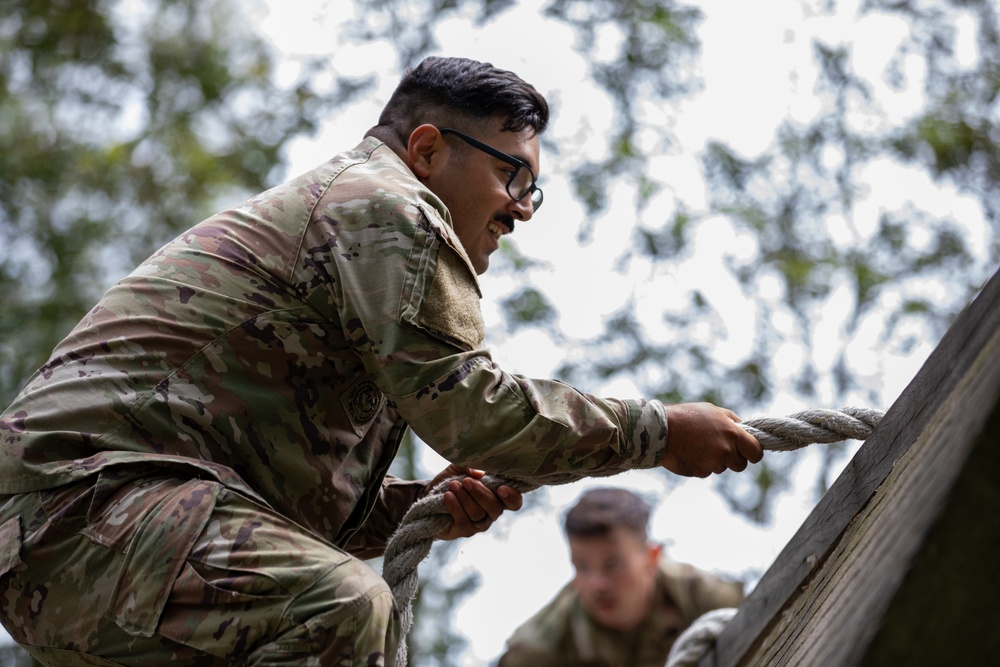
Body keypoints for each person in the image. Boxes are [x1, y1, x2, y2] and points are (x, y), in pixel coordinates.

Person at [0, 56, 762, 666]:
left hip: (88, 542)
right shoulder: (386, 206)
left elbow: (271, 483)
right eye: (512, 175)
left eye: (536, 188)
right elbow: (472, 410)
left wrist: (409, 506)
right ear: (427, 150)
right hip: (86, 510)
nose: (523, 208)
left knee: (326, 607)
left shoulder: (363, 261)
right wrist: (658, 431)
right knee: (342, 609)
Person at [498, 488, 745, 667]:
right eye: (582, 567)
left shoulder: (701, 597)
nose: (597, 585)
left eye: (613, 564)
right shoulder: (538, 647)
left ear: (652, 558)